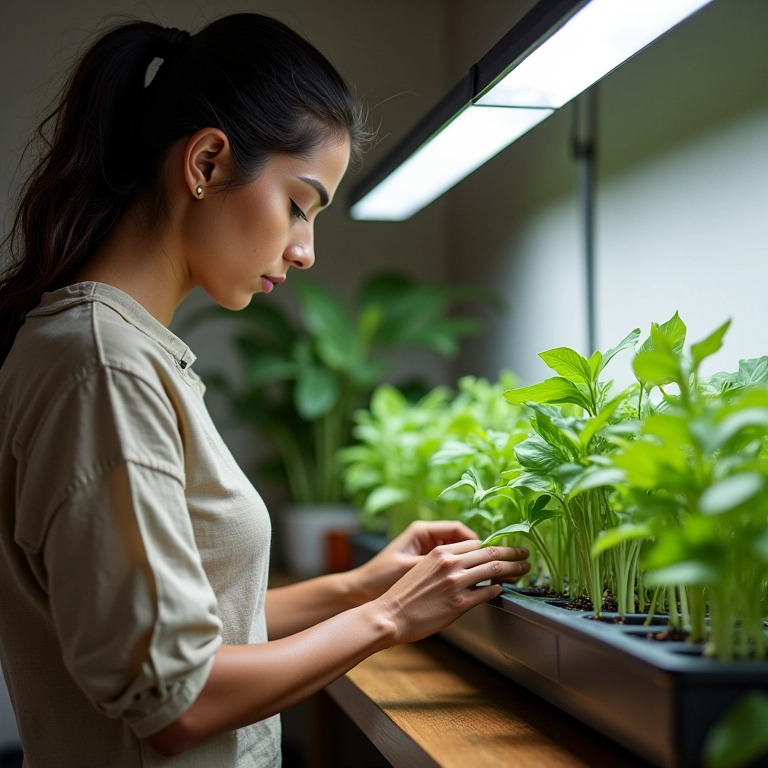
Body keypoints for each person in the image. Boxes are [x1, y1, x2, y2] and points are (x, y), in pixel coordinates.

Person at [0, 14, 530, 768]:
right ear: (207, 162)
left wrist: (358, 587)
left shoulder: (120, 351)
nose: (305, 250)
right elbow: (176, 702)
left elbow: (199, 626)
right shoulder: (104, 367)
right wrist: (388, 617)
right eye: (299, 205)